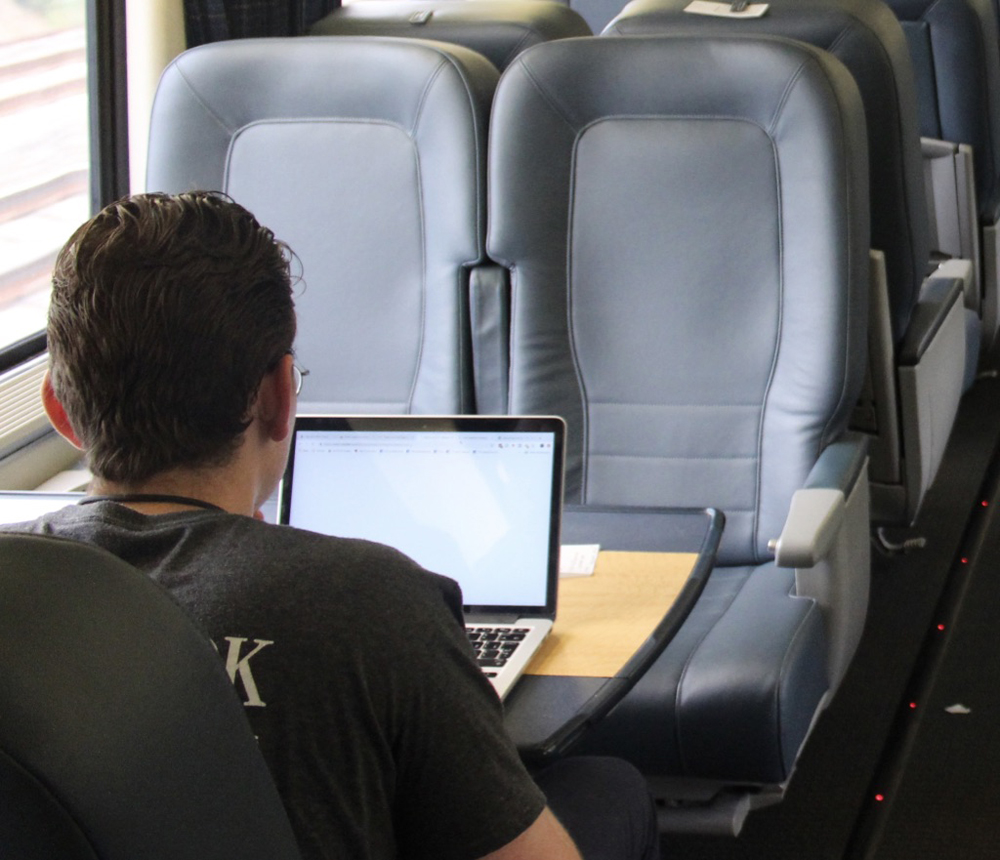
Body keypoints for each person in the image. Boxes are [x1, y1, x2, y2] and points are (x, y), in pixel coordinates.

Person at [5, 191, 660, 860]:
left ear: (61, 410)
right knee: (610, 789)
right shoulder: (368, 600)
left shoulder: (16, 597)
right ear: (280, 397)